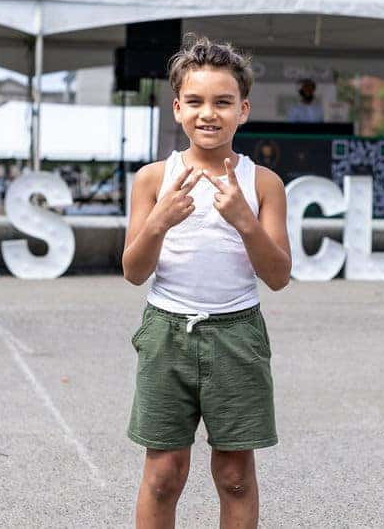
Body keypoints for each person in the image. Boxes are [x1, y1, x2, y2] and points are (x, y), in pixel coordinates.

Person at [122, 35, 292, 529]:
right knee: (163, 475)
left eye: (222, 102)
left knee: (235, 475)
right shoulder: (153, 179)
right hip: (166, 333)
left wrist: (245, 221)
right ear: (177, 108)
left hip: (237, 334)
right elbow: (133, 271)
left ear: (243, 110)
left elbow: (278, 276)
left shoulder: (263, 183)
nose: (208, 114)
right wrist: (159, 221)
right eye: (195, 101)